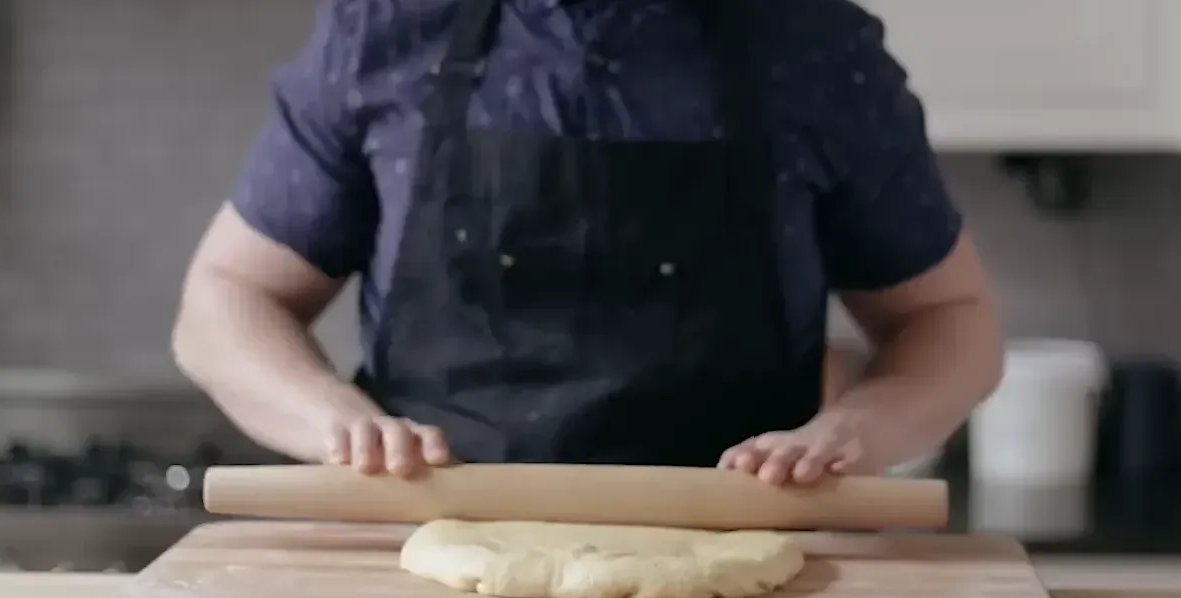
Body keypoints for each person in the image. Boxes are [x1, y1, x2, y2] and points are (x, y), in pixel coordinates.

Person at [172, 0, 1003, 487]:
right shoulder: (384, 31)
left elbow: (948, 317)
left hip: (750, 580)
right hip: (419, 570)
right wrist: (333, 421)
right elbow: (227, 297)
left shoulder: (810, 46)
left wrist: (857, 430)